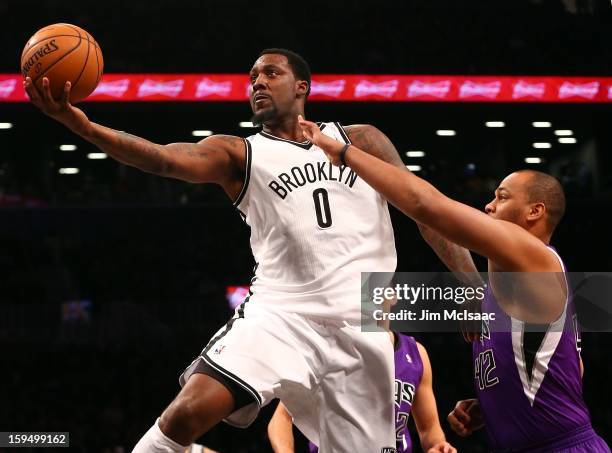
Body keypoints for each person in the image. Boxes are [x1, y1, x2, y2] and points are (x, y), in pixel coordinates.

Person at [24, 48, 473, 453]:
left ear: (302, 87)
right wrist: (81, 125)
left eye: (270, 73)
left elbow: (427, 213)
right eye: (252, 77)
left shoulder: (361, 140)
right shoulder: (239, 153)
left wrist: (476, 296)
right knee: (186, 414)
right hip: (281, 314)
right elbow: (161, 158)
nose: (257, 82)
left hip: (362, 322)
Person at [295, 116, 610, 452]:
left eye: (502, 197)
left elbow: (427, 207)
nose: (489, 204)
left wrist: (344, 153)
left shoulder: (536, 259)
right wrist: (495, 406)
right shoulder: (509, 285)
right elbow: (572, 368)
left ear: (535, 211)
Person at [268, 331, 456, 453]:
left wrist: (438, 446)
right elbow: (281, 418)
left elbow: (429, 429)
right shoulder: (330, 349)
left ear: (393, 295)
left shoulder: (416, 353)